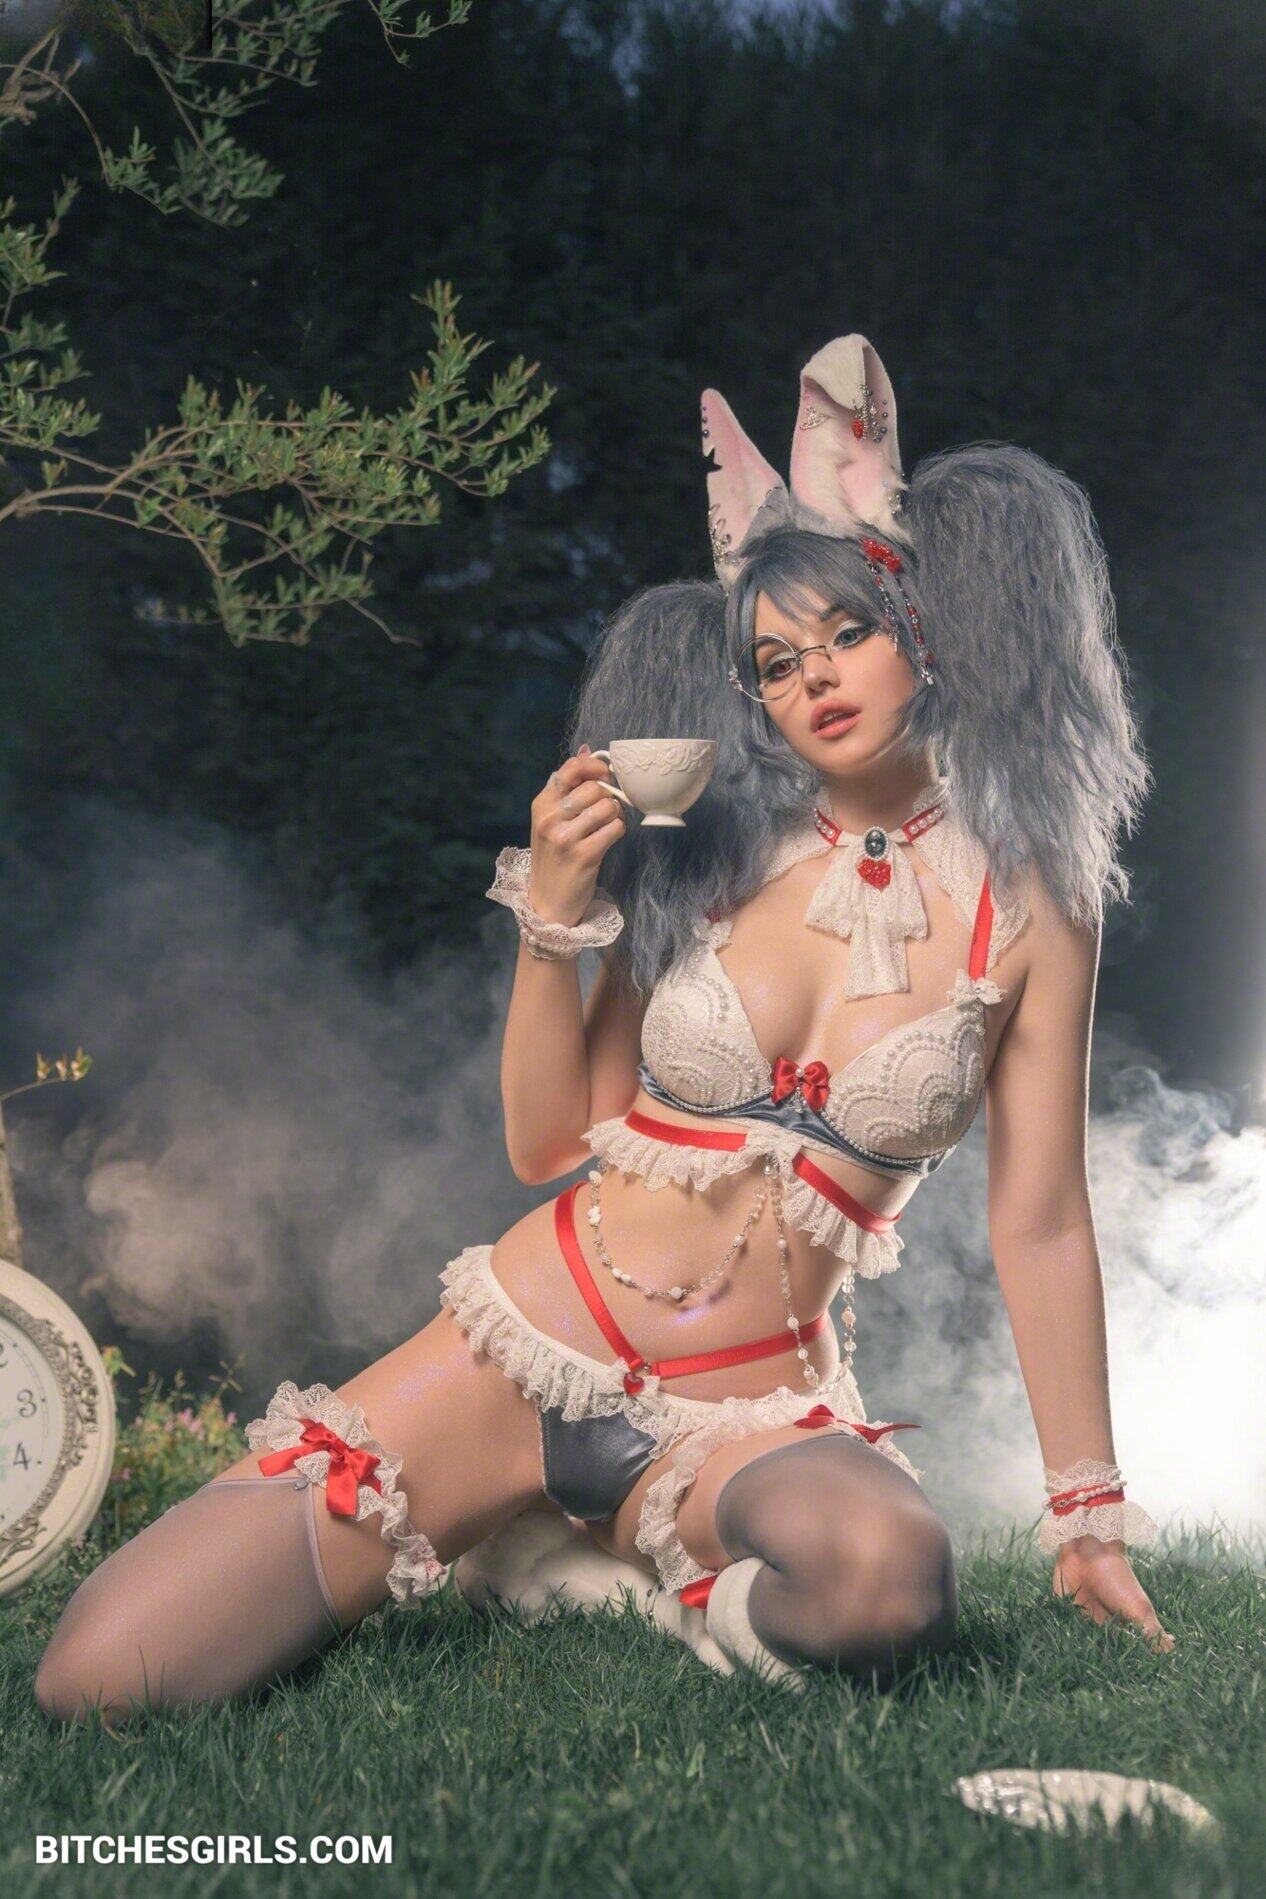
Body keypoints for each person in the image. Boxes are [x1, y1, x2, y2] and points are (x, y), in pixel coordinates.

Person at [35, 334, 1169, 1724]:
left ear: (922, 630)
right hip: (522, 1346)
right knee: (103, 1676)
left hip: (742, 1416)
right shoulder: (708, 851)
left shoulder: (1032, 905)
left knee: (887, 1581)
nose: (813, 679)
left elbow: (1040, 1222)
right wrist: (553, 915)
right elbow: (544, 1144)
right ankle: (523, 1517)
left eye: (848, 634)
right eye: (774, 662)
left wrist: (1086, 1513)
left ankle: (618, 1575)